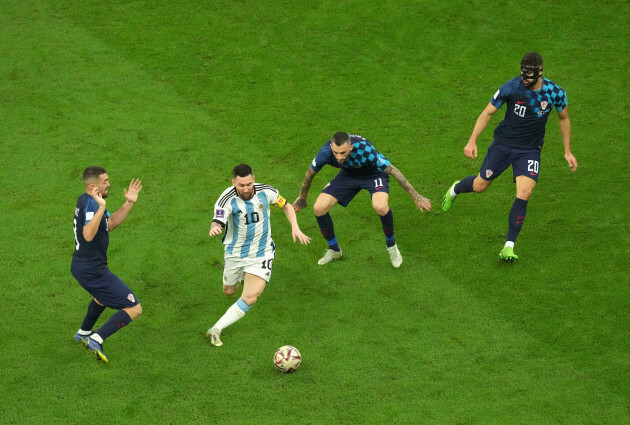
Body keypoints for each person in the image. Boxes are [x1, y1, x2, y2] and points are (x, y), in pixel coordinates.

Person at [442, 51, 578, 262]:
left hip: (530, 150)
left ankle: (508, 246)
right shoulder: (511, 88)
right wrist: (472, 140)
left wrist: (567, 150)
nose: (524, 79)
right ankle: (456, 188)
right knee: (480, 185)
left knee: (525, 191)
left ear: (540, 72)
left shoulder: (555, 93)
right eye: (522, 74)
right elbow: (487, 113)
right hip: (503, 146)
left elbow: (564, 118)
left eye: (529, 76)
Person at [206, 164, 311, 347]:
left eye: (248, 184)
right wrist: (215, 227)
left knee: (251, 297)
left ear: (253, 179)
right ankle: (243, 277)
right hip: (235, 254)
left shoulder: (266, 192)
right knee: (229, 291)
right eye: (241, 185)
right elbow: (218, 220)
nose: (246, 189)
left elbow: (286, 206)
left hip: (261, 253)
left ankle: (215, 329)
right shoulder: (226, 200)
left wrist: (295, 227)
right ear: (233, 183)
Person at [293, 132, 431, 268]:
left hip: (374, 174)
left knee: (380, 207)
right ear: (331, 147)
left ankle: (391, 246)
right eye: (336, 153)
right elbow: (309, 174)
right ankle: (334, 249)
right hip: (349, 175)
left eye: (343, 153)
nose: (339, 157)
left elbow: (393, 170)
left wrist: (416, 196)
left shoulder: (365, 150)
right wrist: (302, 198)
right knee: (319, 208)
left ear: (351, 148)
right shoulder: (325, 153)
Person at [71, 166, 143, 363]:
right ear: (94, 186)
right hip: (93, 270)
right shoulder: (94, 205)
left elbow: (109, 224)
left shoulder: (85, 199)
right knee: (134, 308)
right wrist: (101, 206)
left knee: (101, 297)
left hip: (83, 266)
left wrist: (129, 202)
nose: (109, 184)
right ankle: (96, 339)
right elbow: (87, 235)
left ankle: (84, 332)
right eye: (105, 181)